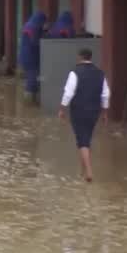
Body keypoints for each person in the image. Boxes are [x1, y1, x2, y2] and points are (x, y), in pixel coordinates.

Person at [58, 48, 110, 182]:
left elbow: (68, 93)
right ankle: (81, 172)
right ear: (90, 58)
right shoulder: (100, 73)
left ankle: (88, 172)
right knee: (86, 139)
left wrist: (62, 109)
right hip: (94, 111)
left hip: (79, 111)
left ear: (80, 57)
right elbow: (105, 94)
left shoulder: (75, 72)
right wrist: (104, 113)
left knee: (82, 141)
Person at [18, 11, 47, 101]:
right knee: (32, 77)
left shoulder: (30, 25)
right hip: (30, 56)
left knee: (33, 77)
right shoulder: (33, 27)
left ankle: (31, 99)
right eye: (44, 21)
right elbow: (34, 42)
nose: (44, 23)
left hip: (27, 56)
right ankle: (29, 101)